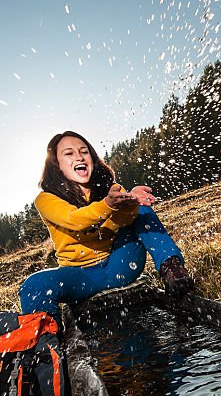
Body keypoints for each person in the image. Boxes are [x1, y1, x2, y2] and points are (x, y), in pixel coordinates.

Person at [18, 130, 193, 319]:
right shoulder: (46, 199)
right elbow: (73, 219)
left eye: (84, 152)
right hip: (81, 278)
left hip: (121, 266)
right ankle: (47, 339)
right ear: (57, 166)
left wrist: (130, 203)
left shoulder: (111, 189)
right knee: (34, 284)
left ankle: (172, 269)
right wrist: (107, 205)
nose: (79, 157)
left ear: (92, 158)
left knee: (141, 210)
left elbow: (125, 221)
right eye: (69, 153)